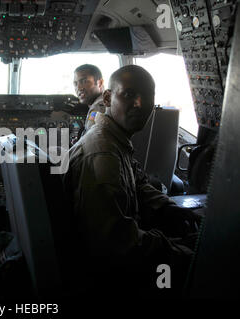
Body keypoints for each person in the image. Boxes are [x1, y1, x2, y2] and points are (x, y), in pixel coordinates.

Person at [62, 65, 202, 297]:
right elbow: (116, 245)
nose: (139, 103)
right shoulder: (103, 155)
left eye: (147, 96)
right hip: (104, 276)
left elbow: (138, 183)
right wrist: (181, 250)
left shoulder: (114, 140)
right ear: (107, 97)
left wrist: (174, 209)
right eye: (128, 94)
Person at [73, 64, 105, 140]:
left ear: (100, 83)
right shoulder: (101, 103)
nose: (79, 87)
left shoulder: (99, 107)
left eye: (84, 81)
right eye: (75, 83)